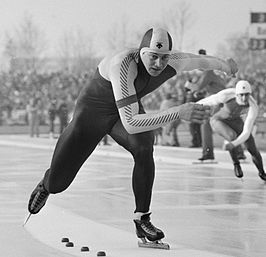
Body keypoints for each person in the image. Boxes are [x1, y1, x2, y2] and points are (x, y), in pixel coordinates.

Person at [27, 27, 237, 243]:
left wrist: (225, 65)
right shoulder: (123, 65)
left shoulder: (175, 60)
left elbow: (201, 61)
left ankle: (142, 219)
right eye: (153, 57)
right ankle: (47, 183)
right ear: (141, 52)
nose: (158, 64)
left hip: (122, 113)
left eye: (164, 58)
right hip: (92, 116)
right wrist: (179, 111)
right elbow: (132, 123)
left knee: (144, 146)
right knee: (58, 185)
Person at [198, 80, 266, 181]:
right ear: (236, 94)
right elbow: (208, 100)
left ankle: (262, 172)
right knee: (232, 136)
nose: (244, 98)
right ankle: (236, 164)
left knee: (252, 147)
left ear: (250, 94)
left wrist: (233, 144)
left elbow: (246, 132)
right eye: (241, 95)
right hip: (218, 120)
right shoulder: (226, 95)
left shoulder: (253, 106)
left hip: (236, 121)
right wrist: (190, 106)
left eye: (246, 95)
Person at [195, 49, 245, 161]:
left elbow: (198, 86)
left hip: (215, 101)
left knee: (205, 123)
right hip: (224, 100)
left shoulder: (208, 72)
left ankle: (208, 153)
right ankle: (239, 151)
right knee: (227, 124)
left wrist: (191, 87)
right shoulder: (215, 71)